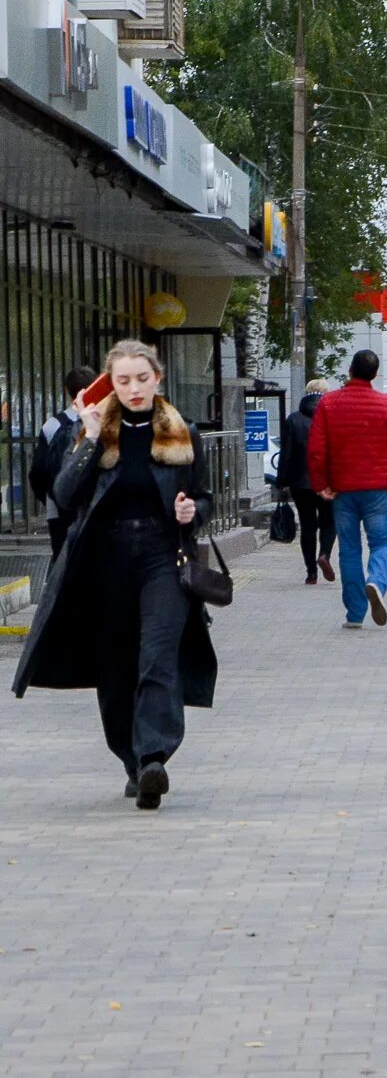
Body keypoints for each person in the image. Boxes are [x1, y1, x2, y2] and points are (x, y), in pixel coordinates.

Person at [12, 340, 217, 811]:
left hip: (163, 556)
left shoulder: (181, 432)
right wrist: (86, 437)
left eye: (142, 378)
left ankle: (153, 757)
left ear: (157, 378)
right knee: (116, 664)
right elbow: (63, 496)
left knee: (158, 655)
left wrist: (192, 511)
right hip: (103, 560)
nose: (134, 388)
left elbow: (203, 496)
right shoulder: (90, 431)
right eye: (122, 380)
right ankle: (131, 759)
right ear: (110, 383)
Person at [308, 348, 387, 628]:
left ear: (350, 370)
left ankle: (355, 614)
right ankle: (376, 581)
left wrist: (320, 484)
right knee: (383, 542)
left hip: (342, 490)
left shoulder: (329, 404)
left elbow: (317, 449)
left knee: (349, 549)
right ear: (375, 374)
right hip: (379, 489)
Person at [274, 381, 335, 586]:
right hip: (327, 482)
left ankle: (311, 573)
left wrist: (281, 481)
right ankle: (324, 554)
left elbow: (286, 453)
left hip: (300, 483)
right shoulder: (331, 416)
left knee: (308, 526)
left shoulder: (293, 419)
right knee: (329, 521)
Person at [30, 365, 94, 557]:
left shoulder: (52, 425)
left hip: (57, 509)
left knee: (62, 560)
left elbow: (38, 472)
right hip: (92, 507)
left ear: (67, 390)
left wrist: (52, 496)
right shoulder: (102, 422)